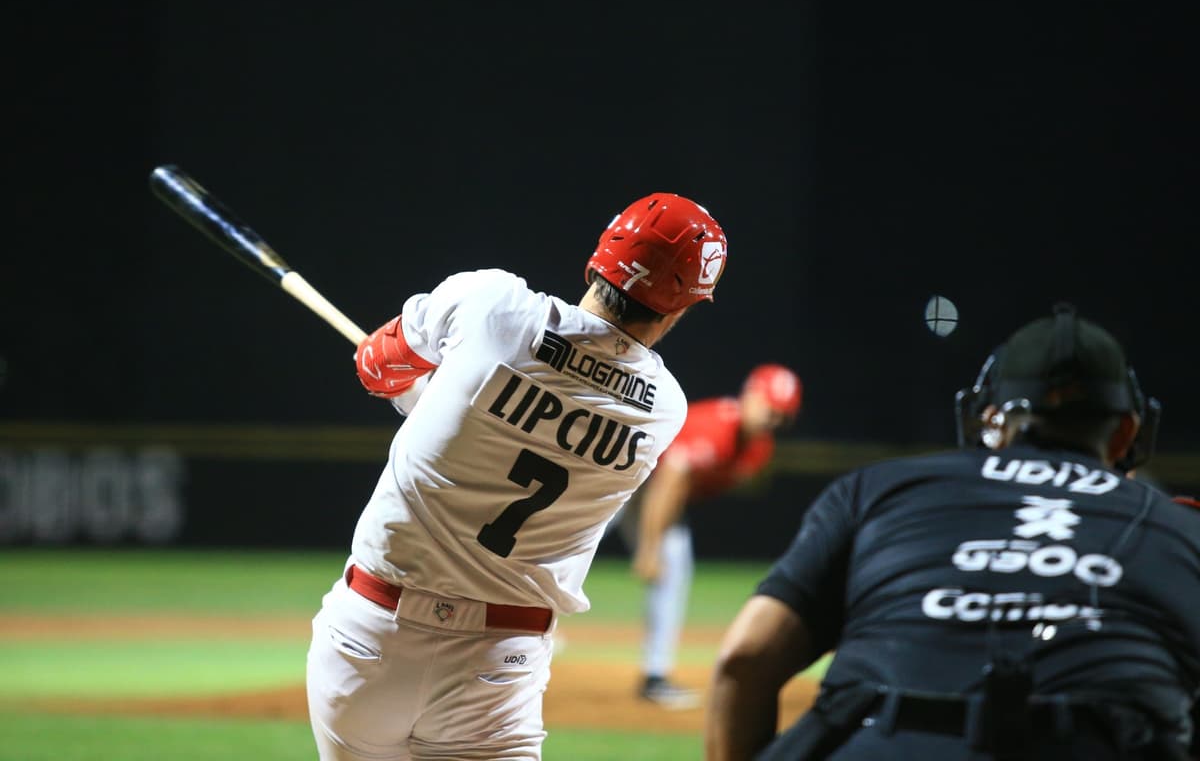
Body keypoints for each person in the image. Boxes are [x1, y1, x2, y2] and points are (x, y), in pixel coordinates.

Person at [305, 193, 728, 761]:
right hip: (498, 662)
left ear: (599, 257)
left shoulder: (490, 301)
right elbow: (540, 420)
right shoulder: (663, 409)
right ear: (680, 307)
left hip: (367, 635)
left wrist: (423, 391)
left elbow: (378, 368)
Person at [706, 302, 1200, 761]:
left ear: (989, 420)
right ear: (1126, 432)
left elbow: (743, 659)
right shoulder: (1180, 526)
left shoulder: (879, 489)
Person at [616, 363, 803, 709]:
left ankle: (655, 676)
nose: (771, 420)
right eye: (768, 407)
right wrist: (649, 549)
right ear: (749, 395)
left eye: (781, 415)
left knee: (675, 567)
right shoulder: (718, 426)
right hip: (619, 475)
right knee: (566, 549)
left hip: (647, 487)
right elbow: (669, 482)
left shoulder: (759, 447)